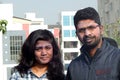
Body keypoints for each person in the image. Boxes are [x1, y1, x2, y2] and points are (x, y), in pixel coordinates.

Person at [66, 7, 120, 80]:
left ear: (101, 29)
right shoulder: (74, 67)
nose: (87, 33)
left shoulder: (117, 58)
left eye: (91, 28)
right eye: (81, 30)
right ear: (77, 34)